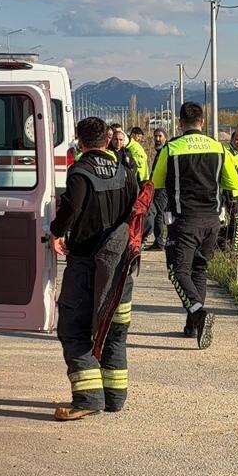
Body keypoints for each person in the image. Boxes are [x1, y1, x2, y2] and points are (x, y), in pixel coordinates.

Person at [50, 116, 139, 420]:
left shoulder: (80, 173)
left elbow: (70, 209)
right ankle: (114, 398)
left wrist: (56, 231)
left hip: (86, 265)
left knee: (73, 329)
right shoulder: (127, 172)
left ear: (80, 141)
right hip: (121, 269)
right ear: (107, 140)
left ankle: (88, 398)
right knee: (114, 331)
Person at [151, 100, 238, 348]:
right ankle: (192, 326)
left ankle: (199, 313)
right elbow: (233, 183)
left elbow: (155, 182)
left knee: (177, 271)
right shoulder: (219, 148)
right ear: (202, 122)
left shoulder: (170, 149)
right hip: (212, 222)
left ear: (180, 124)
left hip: (184, 222)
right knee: (199, 270)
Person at [219, 126, 238, 249]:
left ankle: (232, 247)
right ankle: (232, 248)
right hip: (231, 193)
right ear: (231, 140)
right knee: (236, 223)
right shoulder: (226, 151)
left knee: (236, 222)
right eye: (236, 139)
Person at [149, 127, 168, 250]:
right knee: (159, 214)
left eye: (160, 136)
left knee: (158, 214)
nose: (157, 139)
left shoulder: (165, 152)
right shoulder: (159, 152)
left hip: (163, 189)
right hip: (157, 188)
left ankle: (160, 241)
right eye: (155, 136)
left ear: (165, 138)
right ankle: (159, 240)